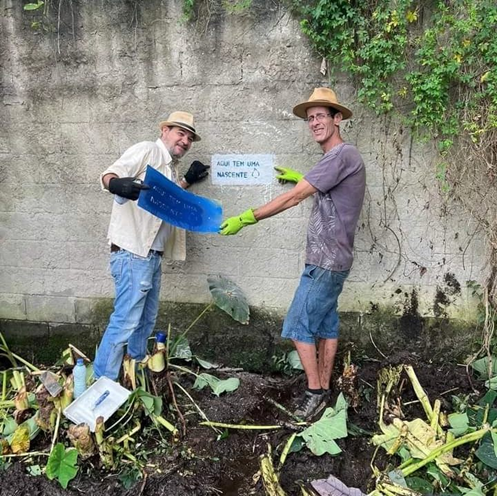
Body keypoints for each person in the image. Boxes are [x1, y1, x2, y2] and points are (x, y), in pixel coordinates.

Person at [220, 88, 366, 419]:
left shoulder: (342, 155)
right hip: (333, 259)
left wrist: (246, 218)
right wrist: (301, 178)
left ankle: (314, 394)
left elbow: (294, 198)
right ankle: (326, 389)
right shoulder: (337, 160)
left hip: (326, 262)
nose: (314, 122)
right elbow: (327, 195)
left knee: (298, 324)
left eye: (321, 116)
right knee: (326, 324)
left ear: (337, 118)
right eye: (310, 117)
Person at [93, 111, 209, 380]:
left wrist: (186, 182)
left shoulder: (170, 168)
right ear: (164, 131)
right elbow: (108, 175)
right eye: (180, 133)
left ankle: (134, 370)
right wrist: (117, 185)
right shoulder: (147, 151)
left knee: (145, 321)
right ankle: (103, 382)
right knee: (125, 321)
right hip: (132, 252)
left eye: (190, 138)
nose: (185, 140)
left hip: (151, 255)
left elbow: (163, 203)